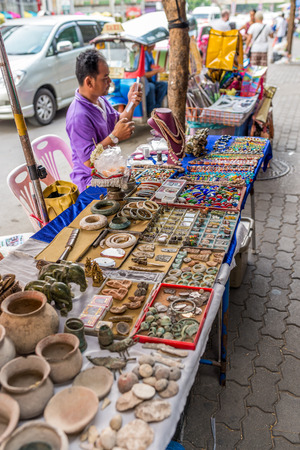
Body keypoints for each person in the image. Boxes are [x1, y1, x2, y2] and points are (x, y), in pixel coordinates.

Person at [66, 48, 142, 193]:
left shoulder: (100, 100)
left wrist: (132, 102)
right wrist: (114, 137)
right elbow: (89, 161)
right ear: (89, 82)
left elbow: (119, 121)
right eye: (105, 78)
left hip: (109, 171)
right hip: (91, 181)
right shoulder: (78, 116)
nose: (110, 82)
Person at [144, 44, 168, 116]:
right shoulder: (144, 55)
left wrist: (156, 68)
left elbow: (152, 67)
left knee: (164, 85)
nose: (154, 45)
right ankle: (150, 110)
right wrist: (157, 71)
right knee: (151, 87)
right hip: (144, 81)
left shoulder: (150, 54)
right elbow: (145, 74)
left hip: (151, 80)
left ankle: (157, 107)